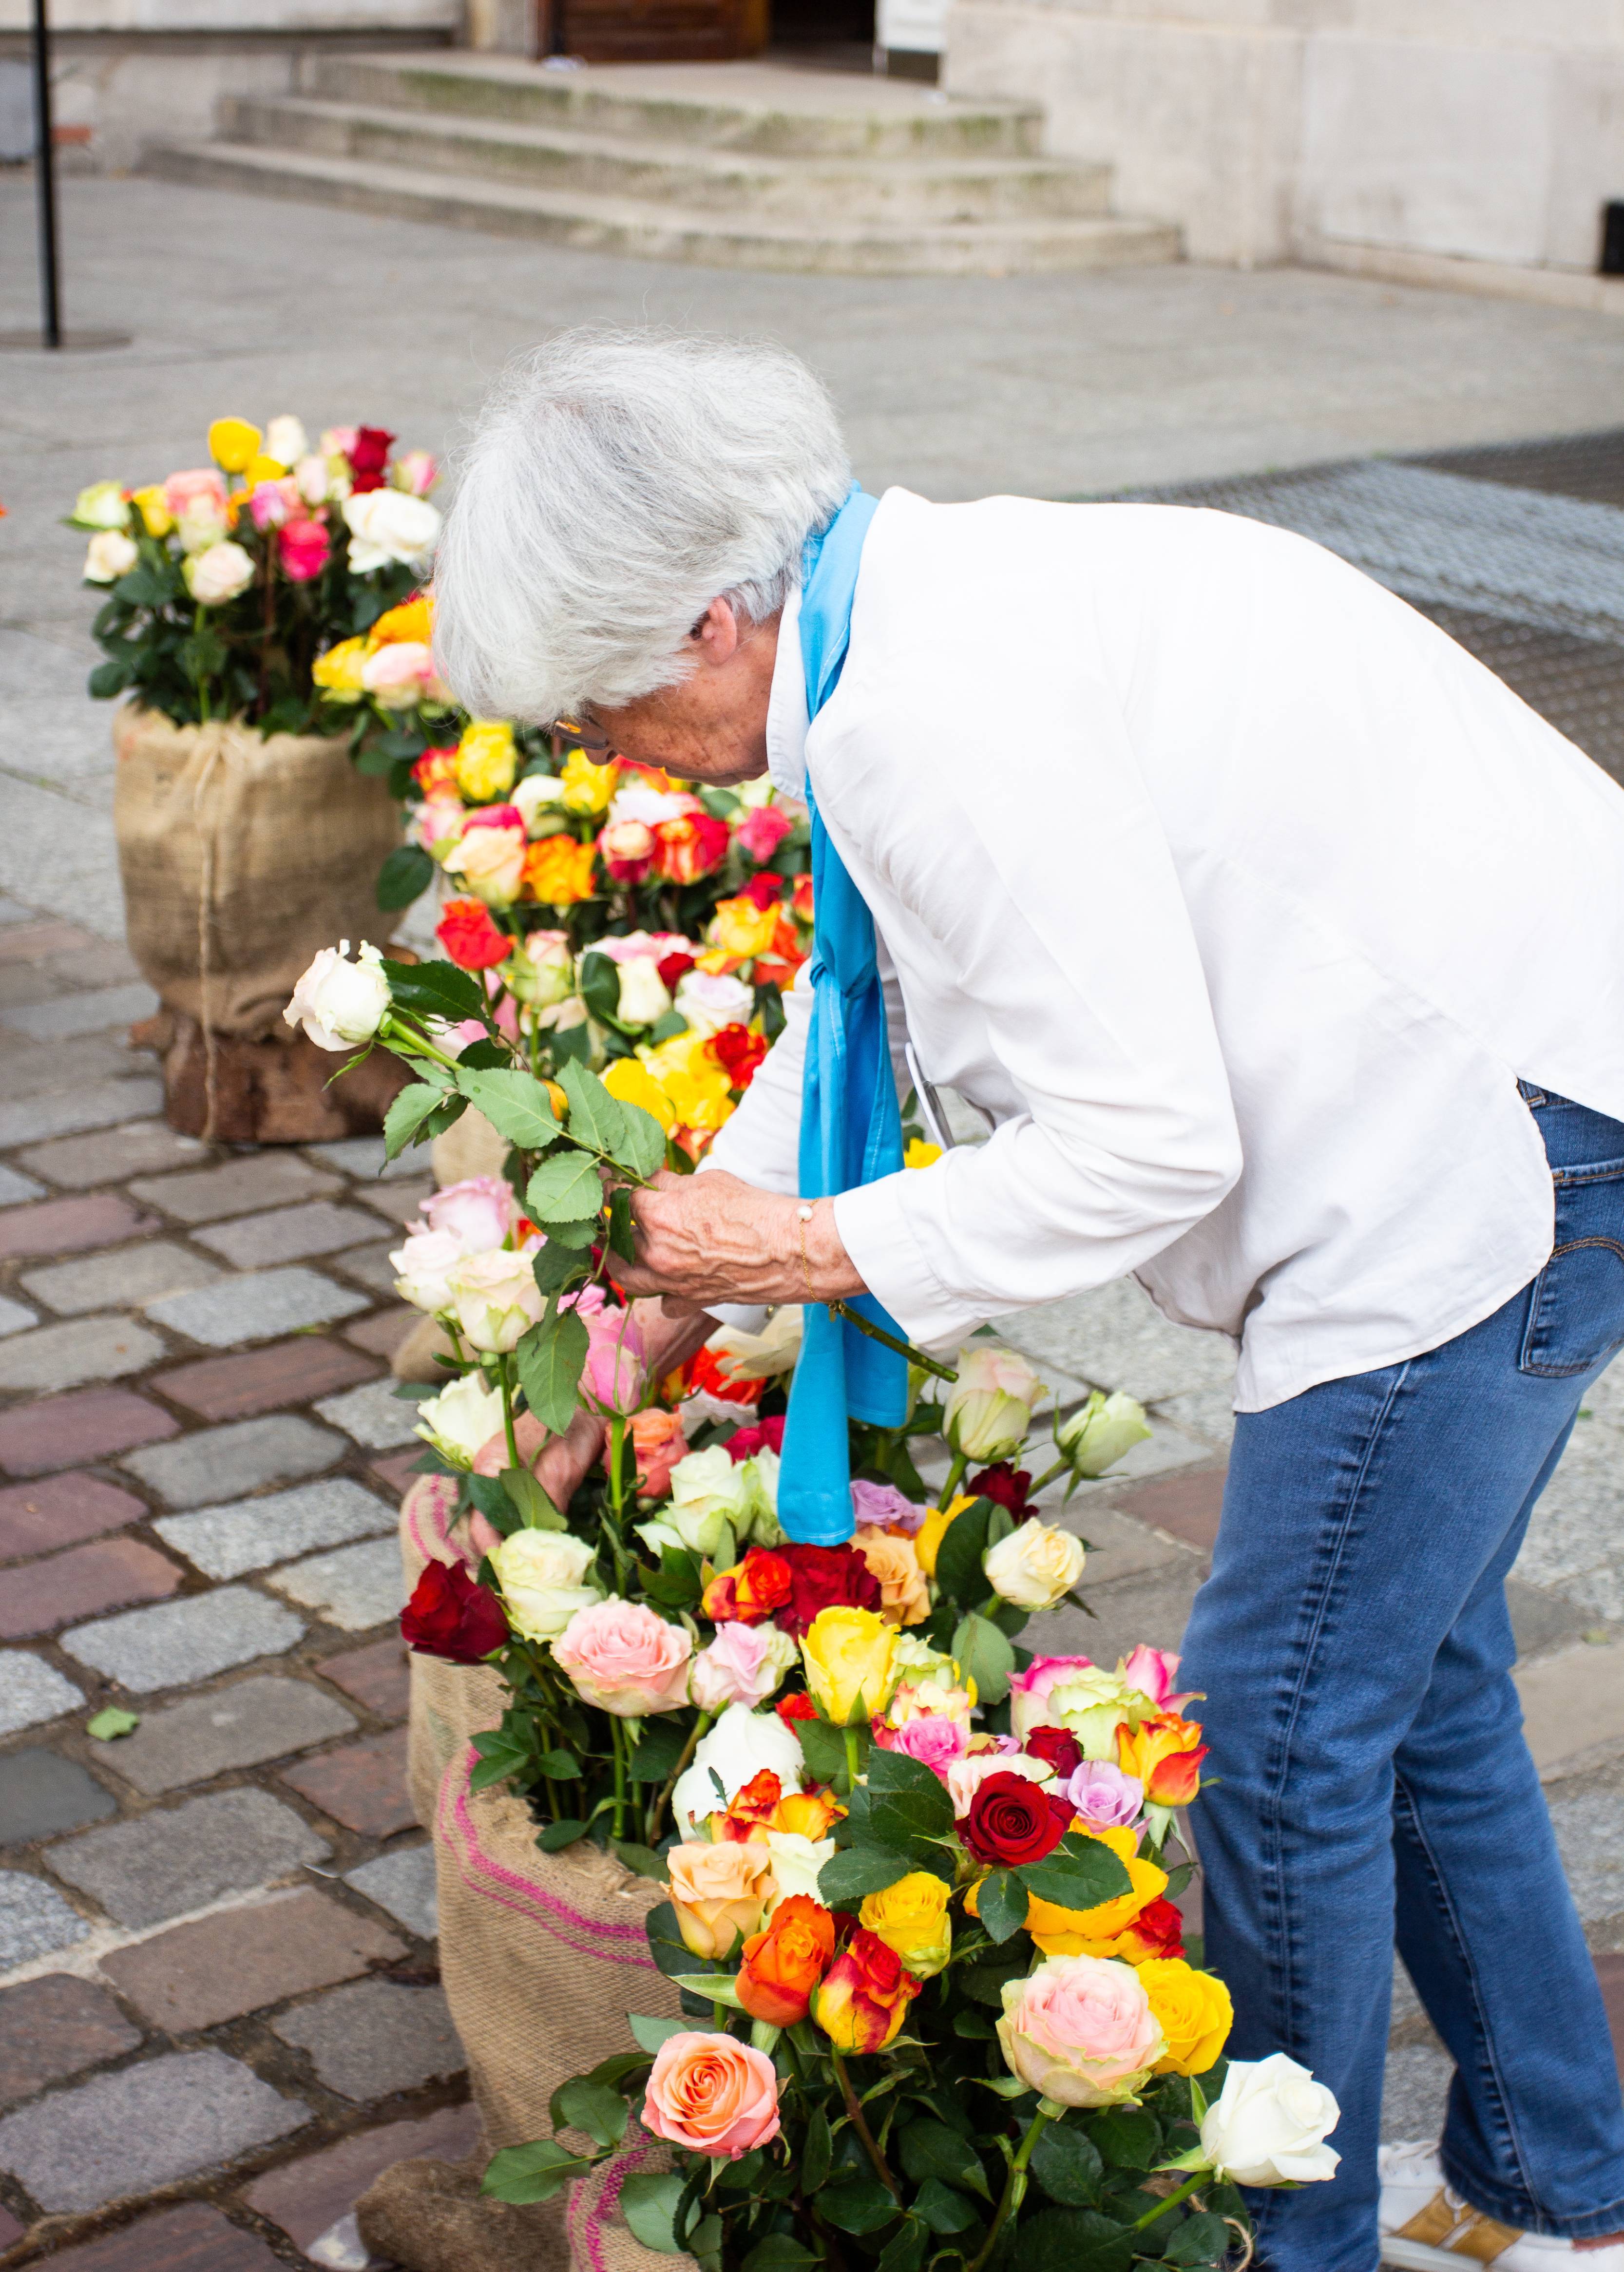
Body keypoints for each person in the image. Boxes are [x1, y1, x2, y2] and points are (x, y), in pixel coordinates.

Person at [431, 326, 1624, 2272]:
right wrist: (648, 1308)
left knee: (1279, 1734)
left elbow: (1148, 1145)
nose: (600, 750)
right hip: (1532, 1072)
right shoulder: (901, 610)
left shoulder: (928, 715)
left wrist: (793, 1255)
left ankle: (1292, 2247)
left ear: (710, 619)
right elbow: (856, 1008)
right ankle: (1562, 2196)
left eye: (597, 701)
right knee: (1415, 1688)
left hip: (1486, 1154)